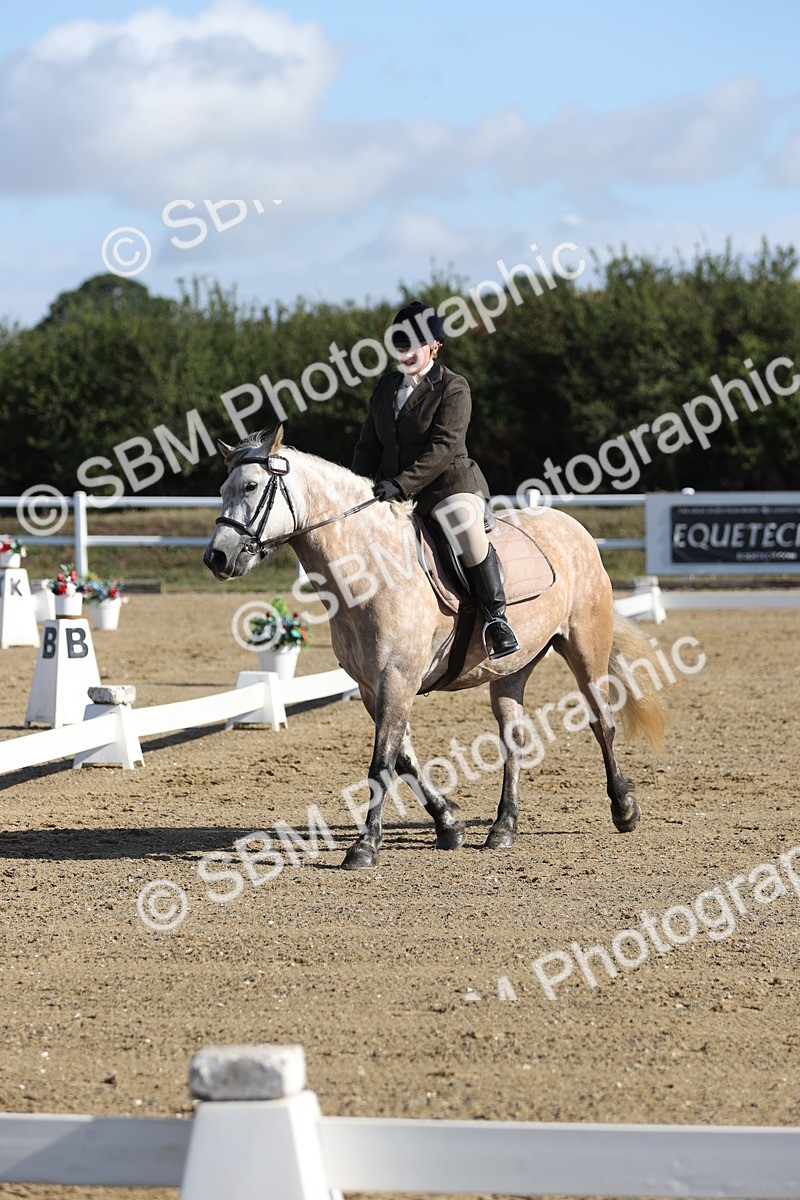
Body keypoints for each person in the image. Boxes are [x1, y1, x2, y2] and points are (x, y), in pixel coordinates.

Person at [351, 300, 519, 659]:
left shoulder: (453, 388)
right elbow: (368, 445)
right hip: (392, 491)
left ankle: (496, 618)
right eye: (400, 344)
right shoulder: (384, 389)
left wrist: (400, 484)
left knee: (464, 527)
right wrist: (359, 488)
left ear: (435, 346)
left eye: (414, 344)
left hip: (447, 486)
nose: (406, 351)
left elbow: (444, 447)